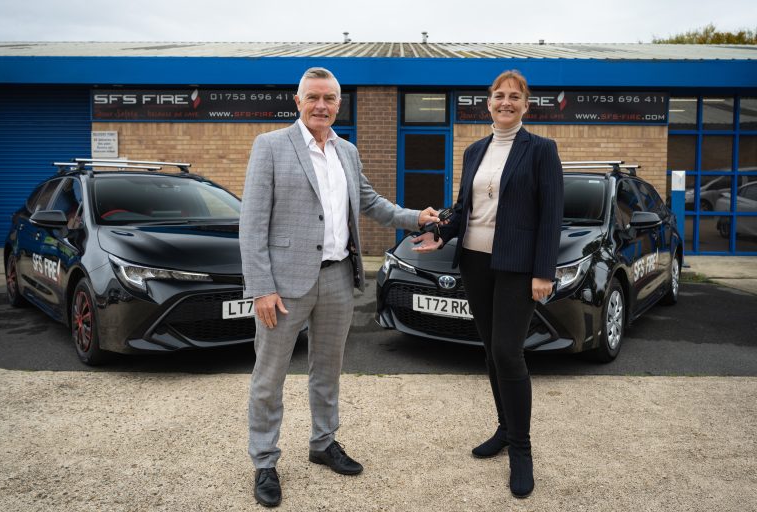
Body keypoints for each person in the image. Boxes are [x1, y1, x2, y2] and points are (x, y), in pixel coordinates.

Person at [239, 67, 441, 508]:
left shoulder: (346, 151)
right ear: (298, 102)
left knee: (327, 371)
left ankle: (322, 442)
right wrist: (261, 287)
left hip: (336, 277)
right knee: (269, 377)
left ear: (338, 104)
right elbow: (251, 225)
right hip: (285, 285)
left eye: (329, 98)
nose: (321, 105)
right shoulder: (270, 146)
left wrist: (414, 218)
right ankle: (265, 460)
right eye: (313, 97)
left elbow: (369, 202)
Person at [412, 70, 564, 499]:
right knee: (491, 353)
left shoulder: (541, 150)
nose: (506, 102)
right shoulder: (474, 150)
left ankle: (521, 449)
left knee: (507, 351)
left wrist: (544, 272)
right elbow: (465, 209)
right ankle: (504, 427)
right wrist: (440, 232)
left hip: (518, 268)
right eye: (499, 96)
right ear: (488, 102)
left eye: (515, 97)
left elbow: (552, 215)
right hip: (476, 263)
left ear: (526, 104)